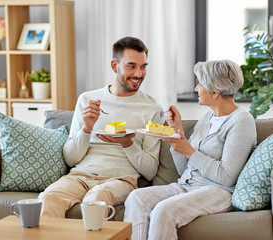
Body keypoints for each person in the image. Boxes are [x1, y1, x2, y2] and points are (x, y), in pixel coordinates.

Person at [124, 60, 257, 240]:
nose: (196, 89)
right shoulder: (206, 118)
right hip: (188, 186)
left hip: (218, 191)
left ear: (215, 92)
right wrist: (177, 133)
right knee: (136, 198)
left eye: (200, 83)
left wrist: (189, 151)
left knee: (164, 211)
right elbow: (184, 170)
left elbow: (227, 177)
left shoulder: (241, 121)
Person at [38, 36, 164, 218]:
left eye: (143, 67)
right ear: (115, 66)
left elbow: (150, 171)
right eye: (131, 66)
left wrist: (127, 143)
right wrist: (86, 129)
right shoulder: (87, 100)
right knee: (48, 197)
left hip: (120, 180)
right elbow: (70, 159)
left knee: (96, 199)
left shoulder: (152, 109)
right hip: (79, 176)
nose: (138, 74)